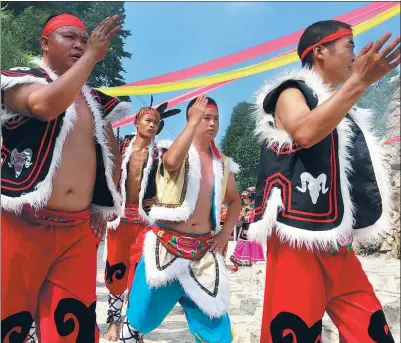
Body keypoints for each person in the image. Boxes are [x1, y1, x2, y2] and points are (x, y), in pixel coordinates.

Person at [248, 20, 399, 342]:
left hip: (337, 242)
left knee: (372, 332)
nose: (355, 56)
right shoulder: (290, 90)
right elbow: (304, 131)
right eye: (350, 47)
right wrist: (359, 82)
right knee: (293, 333)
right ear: (319, 51)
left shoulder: (344, 109)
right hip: (296, 239)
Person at [1, 13, 131, 343]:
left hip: (76, 231)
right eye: (69, 37)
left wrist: (104, 205)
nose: (79, 44)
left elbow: (110, 154)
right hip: (20, 225)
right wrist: (90, 57)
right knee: (8, 324)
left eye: (85, 40)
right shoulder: (18, 81)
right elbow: (44, 106)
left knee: (72, 327)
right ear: (44, 44)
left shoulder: (96, 102)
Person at [118, 95, 241, 343]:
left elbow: (235, 201)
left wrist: (225, 232)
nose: (212, 123)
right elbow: (172, 163)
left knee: (216, 327)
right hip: (165, 247)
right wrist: (192, 123)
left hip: (203, 253)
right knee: (138, 319)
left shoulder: (222, 163)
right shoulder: (170, 149)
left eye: (215, 119)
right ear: (191, 120)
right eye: (205, 117)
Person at [102, 102, 180, 341]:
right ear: (136, 122)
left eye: (156, 123)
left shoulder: (161, 153)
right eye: (148, 121)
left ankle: (132, 326)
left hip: (145, 221)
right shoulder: (120, 146)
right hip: (119, 218)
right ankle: (114, 322)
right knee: (115, 272)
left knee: (138, 276)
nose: (152, 125)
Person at [229, 188, 265, 272]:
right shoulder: (248, 207)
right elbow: (241, 218)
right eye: (244, 198)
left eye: (246, 198)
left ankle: (239, 263)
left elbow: (252, 218)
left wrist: (243, 215)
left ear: (252, 197)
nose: (244, 200)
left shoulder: (255, 207)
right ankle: (238, 263)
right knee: (242, 245)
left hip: (250, 229)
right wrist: (242, 215)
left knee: (246, 246)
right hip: (245, 228)